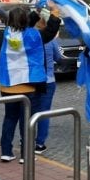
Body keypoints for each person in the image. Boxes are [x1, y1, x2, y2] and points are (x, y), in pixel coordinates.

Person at [0, 2, 60, 163]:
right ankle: (26, 154)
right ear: (26, 20)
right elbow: (50, 31)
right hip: (28, 85)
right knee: (27, 120)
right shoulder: (33, 36)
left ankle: (6, 151)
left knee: (10, 118)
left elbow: (23, 25)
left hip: (8, 85)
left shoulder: (7, 33)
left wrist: (36, 12)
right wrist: (55, 12)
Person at [30, 14, 62, 154]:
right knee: (44, 112)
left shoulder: (28, 39)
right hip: (48, 80)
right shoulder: (50, 41)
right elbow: (58, 57)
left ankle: (26, 138)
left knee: (30, 110)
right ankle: (40, 143)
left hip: (31, 79)